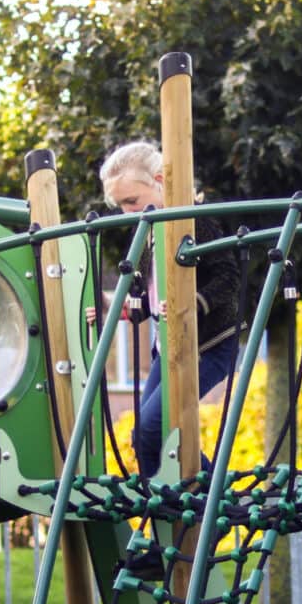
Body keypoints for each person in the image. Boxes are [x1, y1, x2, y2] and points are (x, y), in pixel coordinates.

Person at [100, 141, 244, 480]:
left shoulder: (194, 222)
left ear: (160, 181)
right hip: (168, 347)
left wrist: (192, 303)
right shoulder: (147, 233)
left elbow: (228, 277)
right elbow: (144, 300)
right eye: (121, 205)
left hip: (208, 345)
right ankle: (180, 502)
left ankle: (202, 496)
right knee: (146, 438)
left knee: (151, 431)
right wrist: (113, 308)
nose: (128, 212)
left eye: (132, 201)